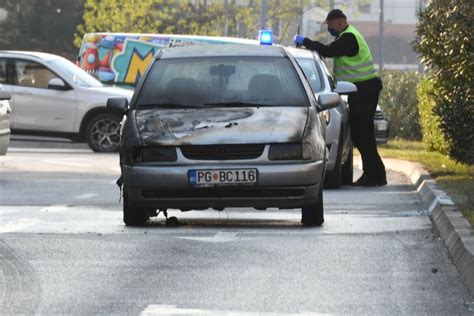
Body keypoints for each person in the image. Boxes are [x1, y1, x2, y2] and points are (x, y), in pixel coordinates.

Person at [294, 8, 387, 187]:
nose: (329, 28)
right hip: (361, 91)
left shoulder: (349, 38)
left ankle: (375, 175)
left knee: (362, 136)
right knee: (363, 136)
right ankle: (375, 175)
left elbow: (328, 51)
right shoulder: (347, 37)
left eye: (329, 25)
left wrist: (306, 41)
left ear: (339, 22)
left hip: (364, 91)